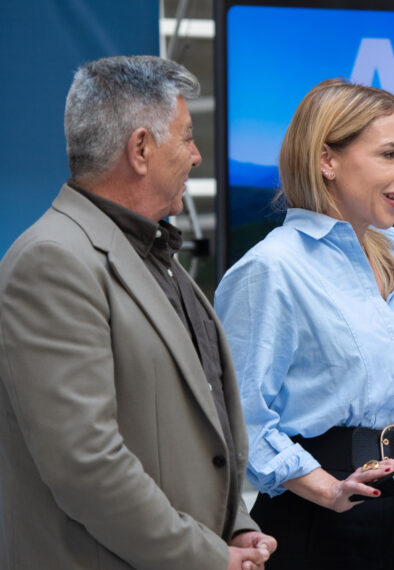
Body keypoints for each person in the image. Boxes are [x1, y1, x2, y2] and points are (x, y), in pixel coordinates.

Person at [0, 55, 276, 569]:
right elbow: (86, 467)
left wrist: (233, 526)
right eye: (188, 137)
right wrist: (207, 556)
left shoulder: (155, 258)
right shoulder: (53, 262)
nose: (196, 156)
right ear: (142, 149)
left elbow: (194, 434)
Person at [214, 78, 394, 570]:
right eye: (389, 154)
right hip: (314, 523)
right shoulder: (271, 270)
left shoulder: (388, 260)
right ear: (327, 160)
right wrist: (326, 488)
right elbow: (237, 417)